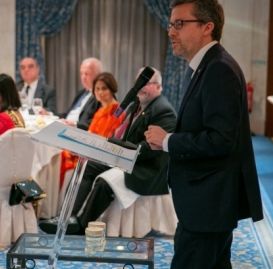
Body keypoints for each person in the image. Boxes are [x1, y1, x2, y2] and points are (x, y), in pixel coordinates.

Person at [144, 0, 263, 268]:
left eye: (180, 24)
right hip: (204, 201)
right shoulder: (203, 66)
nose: (171, 31)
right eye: (171, 24)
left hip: (208, 202)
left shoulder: (218, 69)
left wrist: (169, 141)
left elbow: (222, 140)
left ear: (207, 26)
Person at [40, 68, 176, 234]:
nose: (141, 87)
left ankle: (82, 226)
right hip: (129, 159)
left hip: (146, 168)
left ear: (159, 87)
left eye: (146, 83)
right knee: (88, 165)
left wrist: (119, 152)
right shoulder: (140, 105)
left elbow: (151, 149)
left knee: (104, 182)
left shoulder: (163, 110)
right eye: (139, 82)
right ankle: (67, 216)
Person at [60, 72, 127, 186]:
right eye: (97, 89)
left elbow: (107, 138)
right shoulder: (100, 110)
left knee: (63, 157)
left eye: (104, 88)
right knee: (60, 152)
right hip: (90, 148)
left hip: (101, 154)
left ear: (112, 90)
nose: (100, 92)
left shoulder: (117, 111)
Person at [60, 58, 102, 130]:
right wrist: (50, 115)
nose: (83, 77)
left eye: (87, 73)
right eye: (82, 73)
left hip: (79, 133)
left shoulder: (103, 95)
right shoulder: (81, 93)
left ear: (98, 75)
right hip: (65, 127)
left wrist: (75, 124)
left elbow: (100, 123)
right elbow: (67, 114)